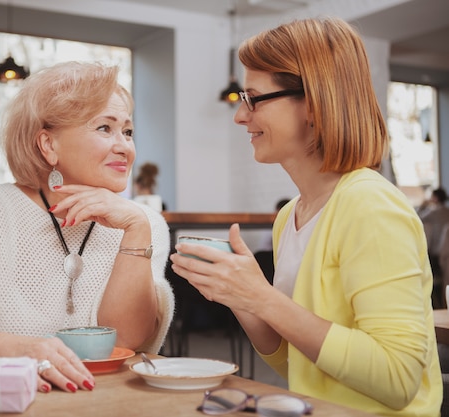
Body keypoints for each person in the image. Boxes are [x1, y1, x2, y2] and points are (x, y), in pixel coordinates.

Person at [170, 17, 441, 415]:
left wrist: (262, 297)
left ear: (312, 104)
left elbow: (397, 379)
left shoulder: (370, 206)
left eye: (254, 98)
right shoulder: (291, 216)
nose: (240, 116)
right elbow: (295, 362)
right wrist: (242, 297)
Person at [0, 62, 175, 394]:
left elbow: (125, 341)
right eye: (104, 128)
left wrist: (136, 231)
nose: (124, 146)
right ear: (48, 145)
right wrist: (17, 351)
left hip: (111, 405)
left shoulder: (143, 222)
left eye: (127, 131)